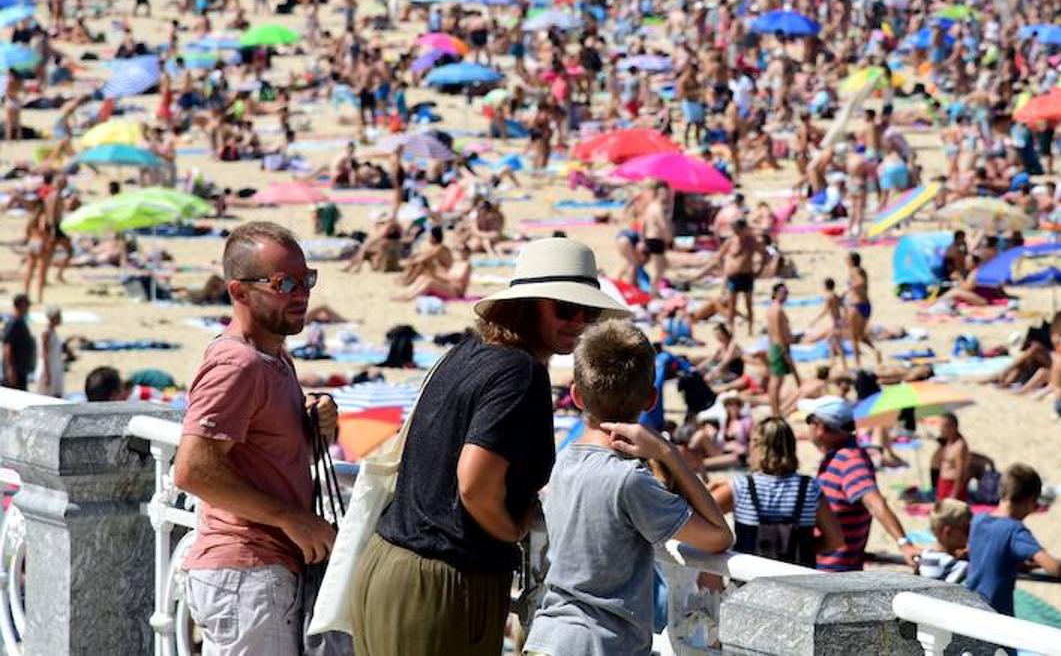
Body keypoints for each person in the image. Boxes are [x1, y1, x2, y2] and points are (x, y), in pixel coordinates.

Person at [350, 238, 627, 656]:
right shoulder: (519, 373)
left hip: (390, 562)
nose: (579, 322)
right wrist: (512, 531)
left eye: (590, 312)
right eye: (566, 309)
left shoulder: (466, 352)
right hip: (442, 580)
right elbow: (475, 484)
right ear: (527, 305)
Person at [174, 222, 337, 656]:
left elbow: (255, 438)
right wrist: (290, 518)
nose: (301, 293)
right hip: (246, 574)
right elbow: (193, 469)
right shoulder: (238, 363)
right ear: (240, 291)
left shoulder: (272, 356)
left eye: (307, 280)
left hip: (259, 575)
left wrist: (309, 417)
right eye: (285, 283)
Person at [523, 320, 733, 656]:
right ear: (651, 399)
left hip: (548, 637)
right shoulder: (629, 481)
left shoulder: (563, 464)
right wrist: (668, 453)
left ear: (576, 395)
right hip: (602, 644)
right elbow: (719, 535)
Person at [802, 395, 920, 571]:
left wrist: (904, 544)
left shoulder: (849, 460)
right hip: (828, 567)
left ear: (820, 427)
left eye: (809, 420)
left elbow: (874, 501)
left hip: (832, 573)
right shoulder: (839, 455)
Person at [712, 416, 844, 566]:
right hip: (796, 582)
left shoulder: (741, 487)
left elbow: (701, 517)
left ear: (757, 446)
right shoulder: (809, 488)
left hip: (750, 582)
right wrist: (806, 549)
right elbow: (835, 540)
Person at [965, 463, 1061, 616]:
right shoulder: (1015, 530)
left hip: (968, 607)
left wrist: (1021, 565)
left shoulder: (978, 521)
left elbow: (990, 558)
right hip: (995, 615)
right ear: (1030, 500)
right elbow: (1053, 568)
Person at [764, 282, 802, 417]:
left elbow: (771, 333)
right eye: (783, 293)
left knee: (777, 382)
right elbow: (778, 334)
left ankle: (776, 411)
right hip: (779, 348)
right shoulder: (777, 310)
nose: (785, 296)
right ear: (775, 293)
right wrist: (784, 352)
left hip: (776, 347)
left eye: (786, 293)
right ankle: (775, 412)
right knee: (776, 382)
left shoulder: (772, 308)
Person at [918, 498, 972, 584]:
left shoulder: (925, 554)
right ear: (948, 532)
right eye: (967, 530)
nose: (971, 535)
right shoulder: (957, 566)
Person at [933, 413, 970, 502]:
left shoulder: (959, 446)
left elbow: (961, 473)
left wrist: (954, 494)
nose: (941, 429)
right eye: (941, 426)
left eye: (944, 426)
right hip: (943, 483)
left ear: (953, 427)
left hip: (952, 485)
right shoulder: (947, 443)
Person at [2, 294, 35, 391]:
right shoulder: (15, 322)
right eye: (27, 304)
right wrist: (10, 369)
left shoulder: (20, 321)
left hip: (21, 370)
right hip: (15, 371)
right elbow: (8, 346)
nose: (28, 307)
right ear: (20, 305)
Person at [36, 305, 65, 398]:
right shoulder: (46, 333)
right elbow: (44, 354)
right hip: (48, 369)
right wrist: (46, 374)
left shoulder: (53, 332)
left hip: (55, 368)